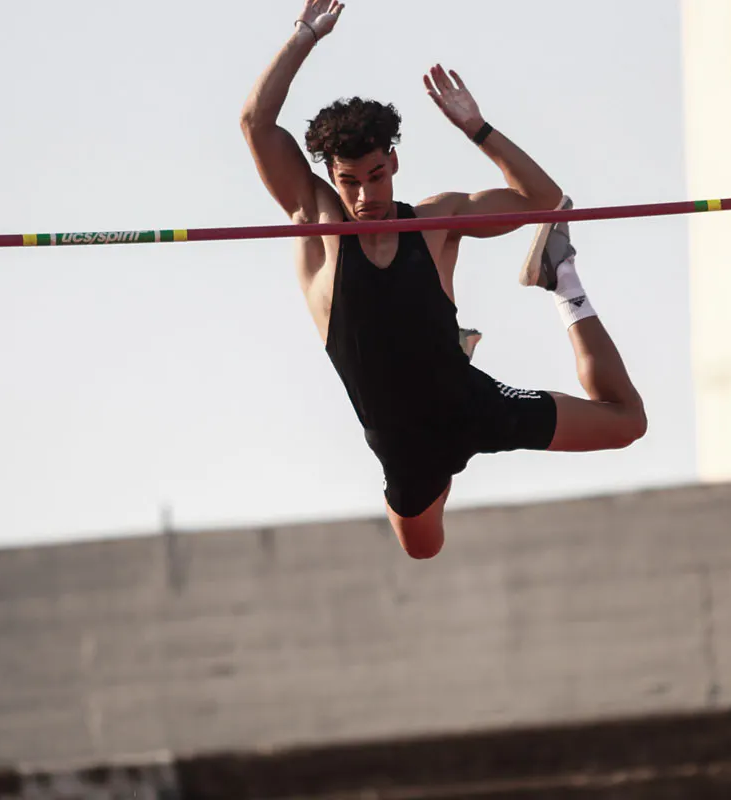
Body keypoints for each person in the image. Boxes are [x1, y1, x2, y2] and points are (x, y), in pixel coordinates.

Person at [240, 0, 647, 560]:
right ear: (332, 176)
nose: (366, 195)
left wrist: (478, 129)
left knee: (627, 424)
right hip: (407, 451)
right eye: (350, 181)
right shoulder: (320, 225)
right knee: (422, 548)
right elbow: (256, 124)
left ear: (394, 163)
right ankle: (452, 347)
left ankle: (563, 279)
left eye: (376, 176)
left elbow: (545, 200)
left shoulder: (435, 223)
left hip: (470, 406)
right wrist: (304, 34)